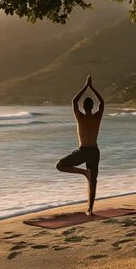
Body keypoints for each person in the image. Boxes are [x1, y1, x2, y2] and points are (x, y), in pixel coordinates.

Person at [56, 74, 104, 216]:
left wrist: (85, 87)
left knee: (60, 165)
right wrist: (92, 88)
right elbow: (102, 102)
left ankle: (83, 173)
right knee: (93, 182)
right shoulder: (97, 117)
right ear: (93, 106)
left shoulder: (80, 117)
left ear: (83, 107)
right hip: (94, 151)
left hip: (83, 151)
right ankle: (90, 209)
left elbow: (74, 101)